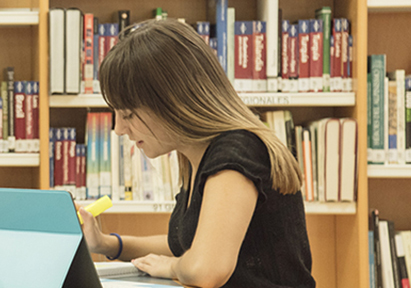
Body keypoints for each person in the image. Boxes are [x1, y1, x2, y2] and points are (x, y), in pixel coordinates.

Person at [77, 19, 314, 288]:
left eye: (128, 114)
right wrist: (107, 243)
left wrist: (172, 267)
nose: (119, 129)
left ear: (173, 102)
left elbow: (205, 268)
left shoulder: (235, 155)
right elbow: (186, 243)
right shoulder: (197, 156)